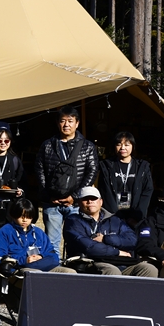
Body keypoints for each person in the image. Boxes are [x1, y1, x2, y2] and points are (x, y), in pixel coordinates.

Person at [0, 197, 76, 320]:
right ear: (14, 215)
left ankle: (67, 310)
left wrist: (41, 256)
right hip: (20, 269)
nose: (25, 220)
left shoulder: (38, 232)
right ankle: (42, 314)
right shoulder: (5, 231)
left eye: (28, 216)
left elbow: (52, 254)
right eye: (21, 216)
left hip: (43, 265)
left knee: (70, 273)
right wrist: (24, 260)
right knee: (35, 275)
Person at [35, 105, 98, 258]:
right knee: (52, 243)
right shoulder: (48, 145)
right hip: (52, 202)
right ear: (58, 123)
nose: (66, 125)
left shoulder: (87, 146)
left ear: (77, 123)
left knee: (77, 242)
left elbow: (92, 172)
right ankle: (54, 269)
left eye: (70, 121)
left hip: (76, 204)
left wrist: (75, 196)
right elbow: (39, 170)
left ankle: (74, 270)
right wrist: (48, 195)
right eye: (63, 121)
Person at [64, 187, 163, 277]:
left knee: (149, 269)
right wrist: (118, 252)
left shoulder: (115, 220)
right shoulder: (73, 221)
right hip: (90, 263)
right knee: (112, 271)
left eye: (93, 198)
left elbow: (132, 240)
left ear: (101, 202)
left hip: (121, 263)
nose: (90, 201)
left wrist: (106, 239)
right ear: (79, 203)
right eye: (85, 199)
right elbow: (89, 247)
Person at [97, 132, 154, 226]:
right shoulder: (106, 166)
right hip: (112, 216)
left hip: (136, 217)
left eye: (127, 145)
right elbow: (105, 191)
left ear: (133, 146)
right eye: (119, 144)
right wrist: (115, 215)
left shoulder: (142, 167)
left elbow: (147, 190)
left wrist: (137, 215)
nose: (122, 148)